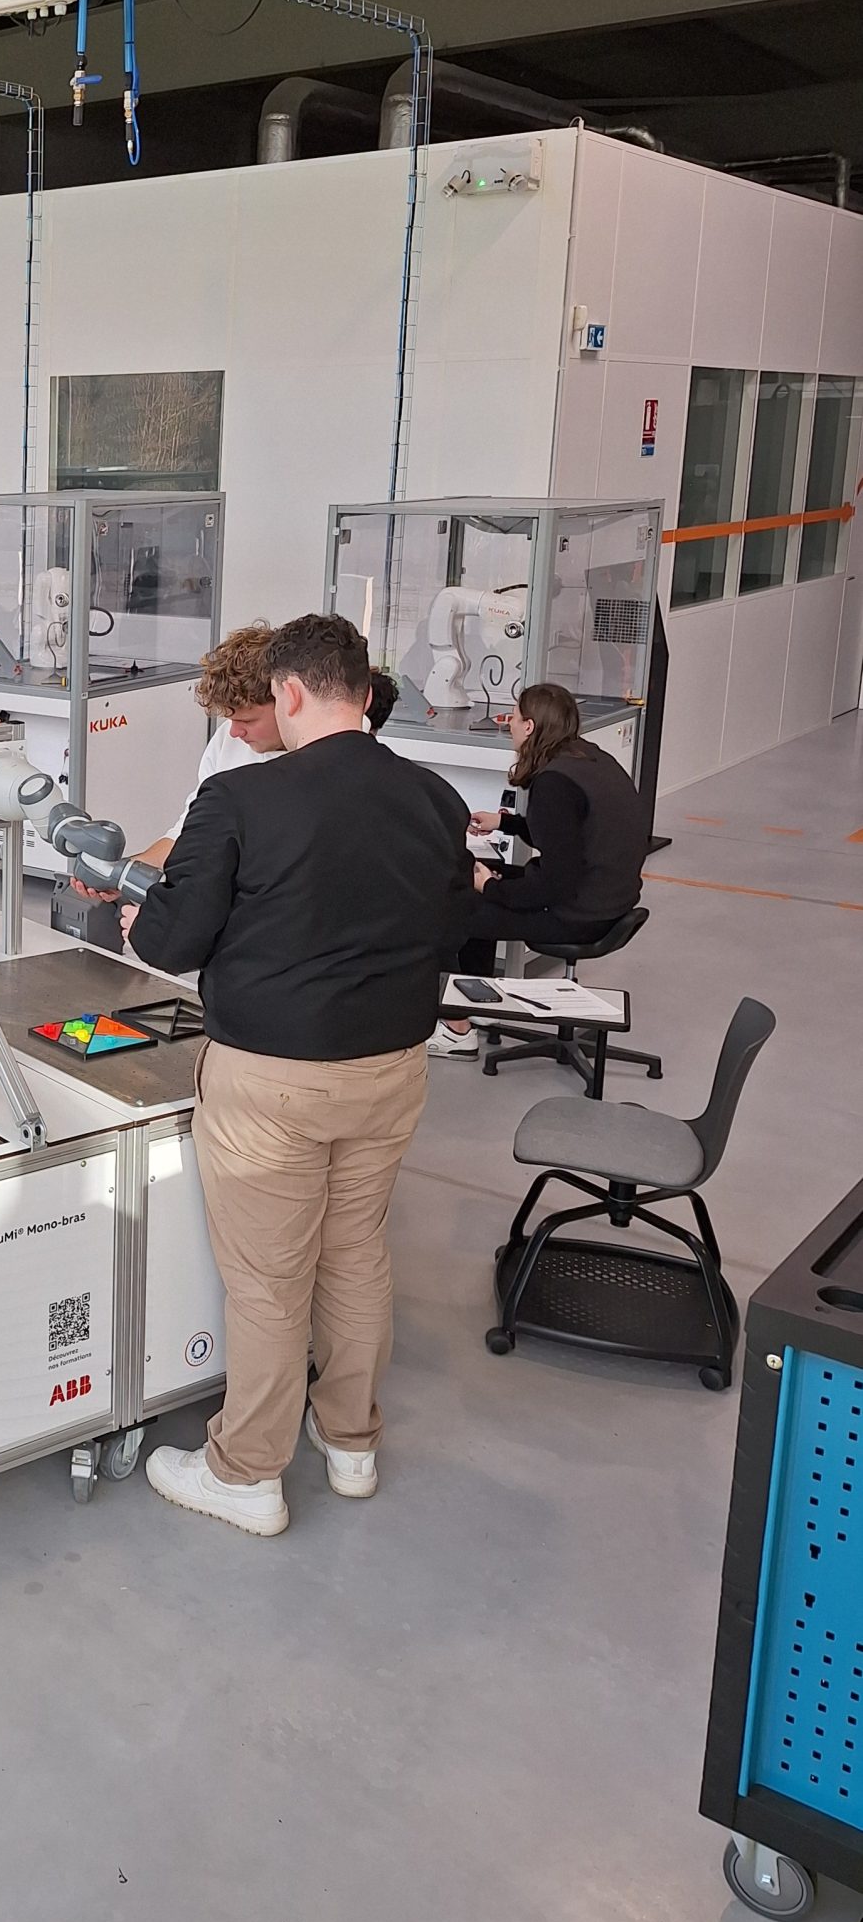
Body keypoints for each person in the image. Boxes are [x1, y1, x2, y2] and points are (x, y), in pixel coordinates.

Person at [126, 611, 472, 1540]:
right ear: (360, 692)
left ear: (285, 691)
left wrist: (143, 916)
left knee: (268, 1283)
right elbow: (452, 931)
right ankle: (350, 1443)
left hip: (271, 1081)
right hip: (391, 1069)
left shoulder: (240, 800)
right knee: (355, 1256)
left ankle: (245, 1472)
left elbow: (170, 941)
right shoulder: (434, 798)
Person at [430, 681, 653, 1056]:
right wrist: (504, 823)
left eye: (514, 718)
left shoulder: (554, 782)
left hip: (580, 913)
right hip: (610, 898)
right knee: (482, 873)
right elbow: (569, 839)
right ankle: (481, 1005)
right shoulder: (591, 759)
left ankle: (457, 1029)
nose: (511, 725)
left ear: (530, 726)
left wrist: (492, 888)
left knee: (453, 910)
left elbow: (554, 884)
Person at [135, 623, 282, 870]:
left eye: (247, 721)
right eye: (230, 719)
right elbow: (191, 830)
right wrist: (129, 870)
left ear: (287, 701)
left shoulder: (321, 759)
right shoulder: (227, 739)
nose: (235, 732)